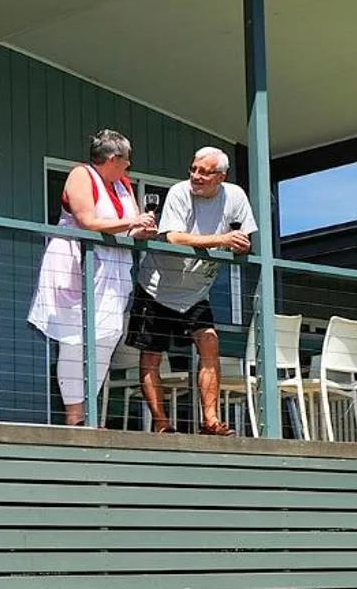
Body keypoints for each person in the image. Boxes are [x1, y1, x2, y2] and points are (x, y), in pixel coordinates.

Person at [26, 129, 157, 424]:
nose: (128, 167)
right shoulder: (81, 175)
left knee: (108, 334)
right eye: (126, 161)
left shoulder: (122, 183)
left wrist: (141, 230)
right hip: (77, 263)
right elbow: (86, 221)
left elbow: (129, 227)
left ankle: (90, 412)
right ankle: (76, 417)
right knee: (73, 339)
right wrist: (132, 222)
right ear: (113, 158)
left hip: (112, 268)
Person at [127, 146, 257, 435]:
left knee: (209, 341)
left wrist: (241, 245)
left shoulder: (235, 196)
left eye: (204, 172)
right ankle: (161, 424)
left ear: (221, 177)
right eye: (193, 169)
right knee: (151, 354)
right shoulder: (179, 192)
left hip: (197, 291)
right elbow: (172, 237)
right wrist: (221, 238)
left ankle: (210, 420)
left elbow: (244, 238)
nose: (195, 176)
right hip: (156, 287)